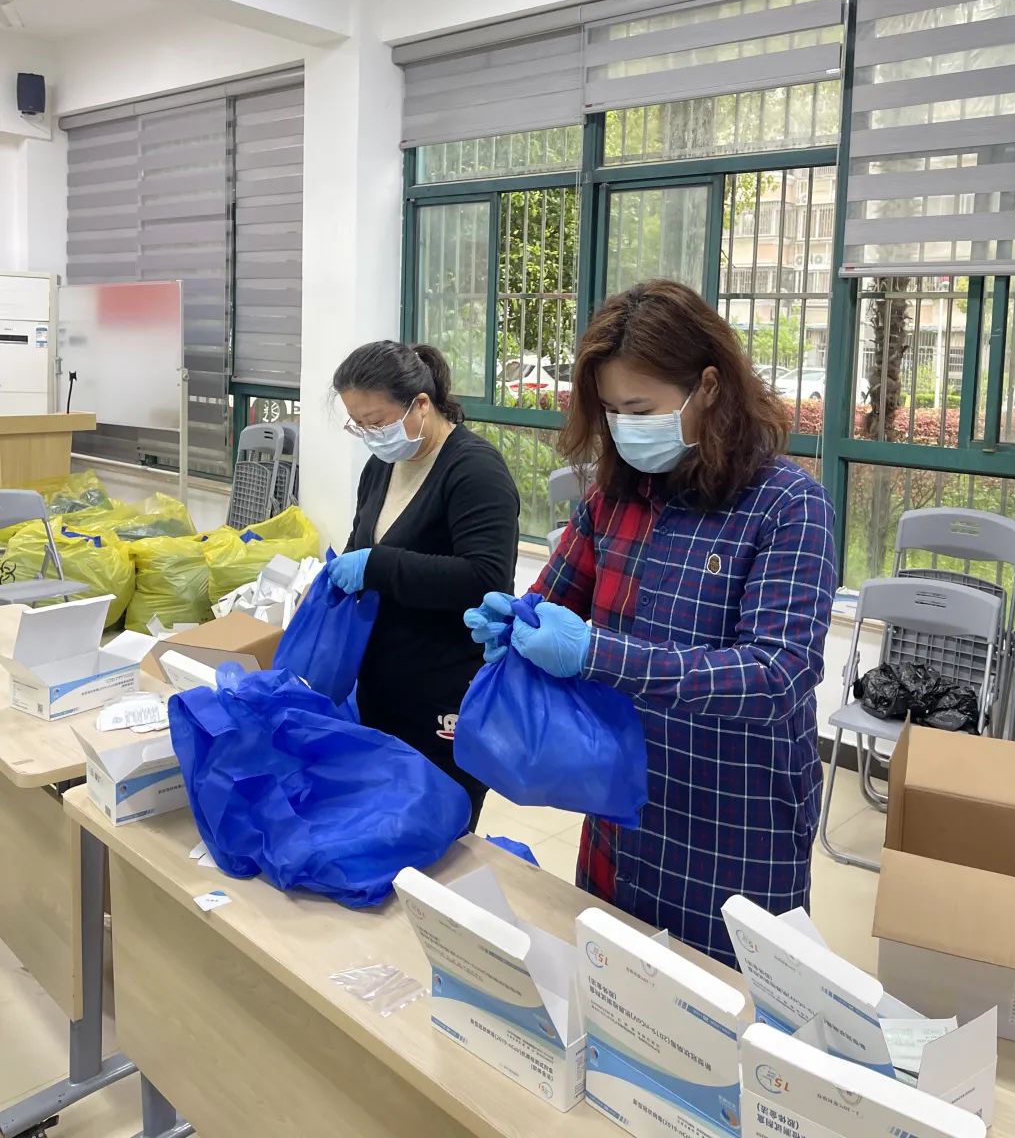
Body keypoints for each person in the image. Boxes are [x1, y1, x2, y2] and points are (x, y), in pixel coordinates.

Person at [465, 281, 836, 964]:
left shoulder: (785, 506)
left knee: (721, 1003)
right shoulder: (614, 499)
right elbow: (554, 600)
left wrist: (597, 654)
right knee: (614, 983)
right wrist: (514, 623)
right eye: (610, 411)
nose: (623, 427)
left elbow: (778, 672)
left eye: (639, 409)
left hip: (733, 815)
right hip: (621, 801)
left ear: (708, 388)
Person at [328, 340, 520, 828]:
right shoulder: (382, 466)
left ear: (421, 404)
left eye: (377, 421)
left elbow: (485, 578)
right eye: (358, 425)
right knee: (384, 820)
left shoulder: (474, 470)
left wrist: (377, 566)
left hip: (445, 690)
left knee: (440, 827)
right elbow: (362, 545)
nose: (371, 435)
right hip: (383, 682)